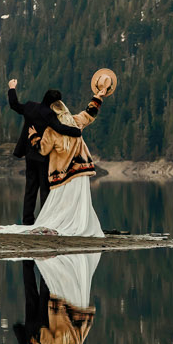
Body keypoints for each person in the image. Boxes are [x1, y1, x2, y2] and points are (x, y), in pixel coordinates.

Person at [32, 85, 108, 237]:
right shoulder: (75, 122)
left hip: (62, 174)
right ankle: (78, 225)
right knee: (79, 202)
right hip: (81, 171)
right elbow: (90, 113)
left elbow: (43, 150)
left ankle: (65, 226)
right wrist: (98, 96)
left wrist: (33, 137)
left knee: (62, 204)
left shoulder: (51, 131)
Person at [6, 79, 79, 224]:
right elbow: (60, 128)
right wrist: (76, 131)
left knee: (30, 188)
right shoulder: (50, 115)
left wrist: (12, 88)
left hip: (29, 154)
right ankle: (45, 220)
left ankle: (27, 220)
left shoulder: (30, 107)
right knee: (45, 189)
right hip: (43, 155)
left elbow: (14, 105)